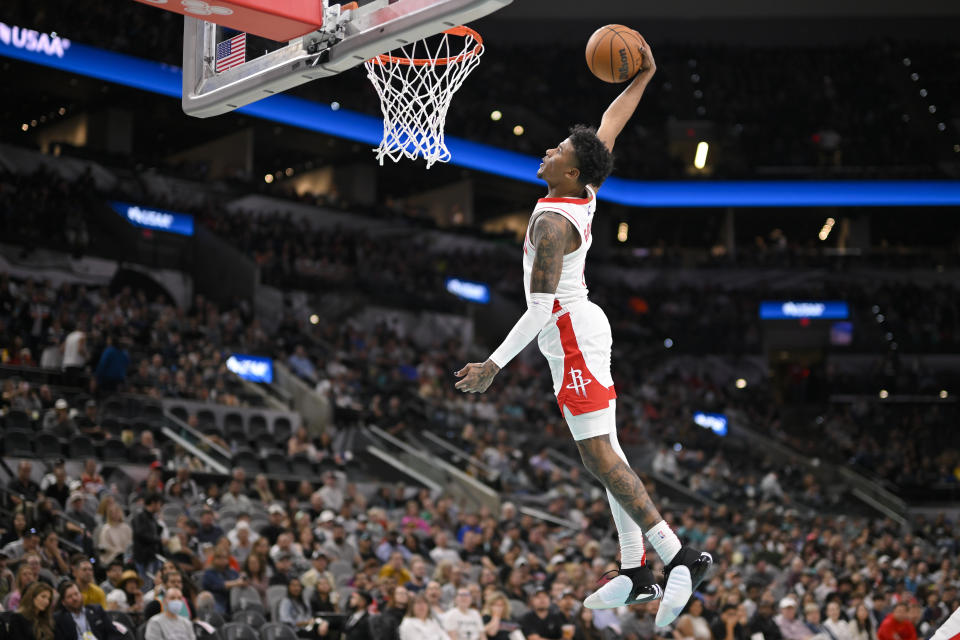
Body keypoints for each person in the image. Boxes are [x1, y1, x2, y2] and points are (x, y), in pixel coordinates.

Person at [452, 33, 709, 624]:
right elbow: (607, 130)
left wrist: (492, 364)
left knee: (598, 456)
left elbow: (540, 311)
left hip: (569, 333)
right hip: (580, 330)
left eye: (557, 150)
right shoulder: (583, 189)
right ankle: (635, 571)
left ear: (568, 171)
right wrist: (642, 76)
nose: (547, 151)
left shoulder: (552, 227)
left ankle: (679, 555)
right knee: (605, 453)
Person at [53, 580, 123, 640]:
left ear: (81, 595)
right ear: (63, 602)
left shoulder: (97, 610)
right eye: (69, 596)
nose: (74, 598)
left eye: (76, 594)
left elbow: (113, 633)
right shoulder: (59, 618)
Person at [132, 492, 164, 581]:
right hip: (143, 557)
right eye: (159, 504)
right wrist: (158, 540)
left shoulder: (153, 518)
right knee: (145, 583)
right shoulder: (140, 517)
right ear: (153, 503)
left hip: (152, 556)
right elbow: (141, 534)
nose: (160, 507)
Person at [201, 549, 245, 614]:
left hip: (232, 600)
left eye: (224, 557)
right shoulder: (209, 573)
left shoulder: (232, 572)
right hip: (216, 600)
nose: (222, 560)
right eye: (219, 557)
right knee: (218, 610)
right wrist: (237, 582)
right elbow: (221, 585)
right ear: (214, 559)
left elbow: (242, 581)